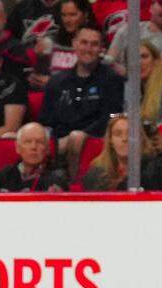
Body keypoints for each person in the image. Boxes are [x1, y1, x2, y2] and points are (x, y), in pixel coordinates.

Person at [40, 26, 124, 176]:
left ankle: (74, 183)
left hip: (93, 138)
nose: (88, 48)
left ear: (101, 49)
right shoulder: (56, 81)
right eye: (84, 42)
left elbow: (114, 116)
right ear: (74, 44)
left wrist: (83, 134)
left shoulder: (112, 79)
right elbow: (46, 121)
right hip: (58, 140)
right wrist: (54, 141)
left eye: (94, 44)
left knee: (76, 137)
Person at [27, 0, 96, 90]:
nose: (67, 20)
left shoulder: (94, 43)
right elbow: (39, 77)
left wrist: (53, 83)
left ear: (85, 14)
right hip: (53, 98)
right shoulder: (52, 40)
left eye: (73, 15)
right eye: (64, 15)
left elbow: (93, 82)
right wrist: (39, 57)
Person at [107, 0, 162, 73]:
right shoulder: (128, 28)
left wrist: (120, 70)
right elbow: (110, 59)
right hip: (113, 80)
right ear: (151, 8)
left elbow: (158, 75)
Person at [0, 121, 69, 191]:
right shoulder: (6, 174)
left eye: (39, 142)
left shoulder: (57, 179)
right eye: (27, 142)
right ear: (18, 147)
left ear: (47, 149)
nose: (33, 147)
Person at [81, 114, 152, 190]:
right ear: (110, 141)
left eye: (130, 134)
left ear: (140, 139)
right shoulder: (95, 176)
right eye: (118, 134)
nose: (124, 139)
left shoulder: (154, 170)